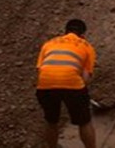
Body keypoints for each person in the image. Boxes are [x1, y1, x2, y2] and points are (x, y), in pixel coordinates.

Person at [36, 19, 97, 148]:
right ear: (82, 35)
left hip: (45, 85)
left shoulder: (49, 43)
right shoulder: (86, 46)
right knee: (84, 122)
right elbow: (86, 77)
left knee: (51, 121)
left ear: (65, 32)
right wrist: (81, 93)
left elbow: (40, 69)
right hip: (72, 86)